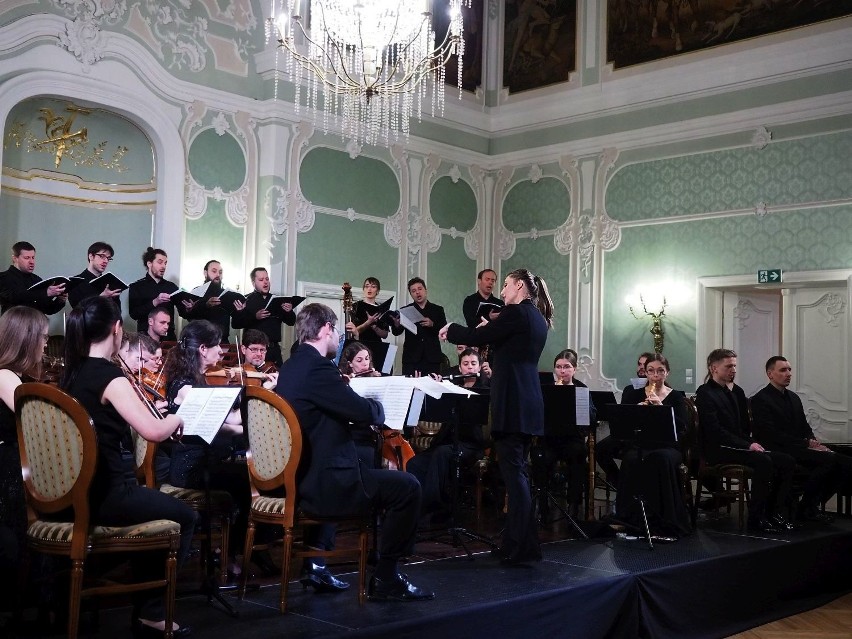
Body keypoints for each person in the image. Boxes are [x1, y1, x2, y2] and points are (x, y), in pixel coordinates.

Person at [277, 303, 434, 601]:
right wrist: (377, 406)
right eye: (335, 329)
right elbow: (364, 412)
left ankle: (314, 564)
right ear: (325, 329)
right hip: (326, 483)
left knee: (370, 465)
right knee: (408, 487)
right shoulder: (319, 367)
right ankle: (387, 576)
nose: (337, 335)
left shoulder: (291, 366)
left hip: (303, 473)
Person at [60, 296, 196, 638]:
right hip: (110, 493)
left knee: (155, 509)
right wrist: (176, 417)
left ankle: (77, 583)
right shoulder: (110, 376)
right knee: (186, 516)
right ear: (117, 329)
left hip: (75, 492)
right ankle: (150, 611)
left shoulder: (72, 373)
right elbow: (152, 430)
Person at [439, 268, 553, 564]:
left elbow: (478, 335)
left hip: (513, 403)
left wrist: (449, 329)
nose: (501, 292)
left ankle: (520, 549)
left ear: (518, 286)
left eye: (505, 285)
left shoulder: (515, 314)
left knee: (515, 478)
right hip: (528, 402)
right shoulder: (537, 318)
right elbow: (498, 341)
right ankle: (523, 545)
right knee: (519, 476)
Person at [162, 320, 249, 577]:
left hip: (204, 462)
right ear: (202, 348)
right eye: (217, 345)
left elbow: (231, 421)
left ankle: (228, 552)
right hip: (190, 467)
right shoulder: (184, 387)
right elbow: (223, 421)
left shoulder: (197, 380)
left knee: (247, 477)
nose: (221, 351)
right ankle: (228, 553)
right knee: (247, 483)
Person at [695, 349, 796, 533]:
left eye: (734, 365)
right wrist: (747, 445)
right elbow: (715, 431)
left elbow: (742, 428)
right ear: (714, 368)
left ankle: (774, 512)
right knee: (763, 461)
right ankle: (756, 518)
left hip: (736, 445)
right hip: (718, 448)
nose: (733, 370)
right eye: (729, 366)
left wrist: (750, 442)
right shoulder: (705, 393)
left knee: (786, 461)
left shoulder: (736, 391)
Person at [751, 356, 852, 523]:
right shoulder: (761, 399)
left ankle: (809, 505)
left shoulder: (793, 397)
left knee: (846, 461)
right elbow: (770, 435)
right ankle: (806, 508)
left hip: (798, 446)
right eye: (783, 370)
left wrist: (814, 442)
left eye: (789, 369)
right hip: (779, 448)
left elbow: (804, 427)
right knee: (830, 460)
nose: (789, 374)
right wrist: (807, 444)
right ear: (770, 374)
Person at [0, 307, 49, 597]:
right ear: (26, 340)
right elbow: (36, 423)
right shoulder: (5, 376)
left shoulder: (15, 376)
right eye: (42, 338)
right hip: (8, 467)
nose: (45, 344)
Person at [617, 353, 691, 537]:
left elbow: (682, 427)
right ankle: (631, 519)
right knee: (631, 459)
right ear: (646, 373)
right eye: (651, 371)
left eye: (660, 371)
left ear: (667, 373)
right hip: (643, 444)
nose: (655, 375)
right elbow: (624, 423)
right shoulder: (635, 394)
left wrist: (661, 410)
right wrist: (637, 413)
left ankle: (663, 519)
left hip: (668, 447)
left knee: (660, 459)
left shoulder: (675, 397)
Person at [540, 349, 595, 518]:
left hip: (572, 439)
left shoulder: (581, 389)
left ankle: (573, 506)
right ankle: (543, 505)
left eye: (567, 367)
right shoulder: (547, 389)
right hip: (549, 438)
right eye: (558, 367)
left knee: (578, 455)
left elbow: (591, 418)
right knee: (540, 456)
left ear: (574, 369)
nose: (562, 371)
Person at [596, 352, 654, 486]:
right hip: (626, 433)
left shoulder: (656, 389)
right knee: (600, 450)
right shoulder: (629, 389)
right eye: (639, 364)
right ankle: (619, 483)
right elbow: (623, 415)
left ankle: (632, 486)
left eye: (644, 365)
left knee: (631, 455)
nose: (641, 367)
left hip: (646, 435)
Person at [231, 267, 295, 367]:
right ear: (253, 283)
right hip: (254, 352)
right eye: (261, 280)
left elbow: (291, 322)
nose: (265, 282)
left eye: (267, 279)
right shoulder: (246, 300)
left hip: (273, 350)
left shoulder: (278, 300)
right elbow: (235, 324)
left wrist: (289, 311)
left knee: (277, 380)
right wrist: (255, 317)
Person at [129, 247, 191, 341]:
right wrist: (155, 302)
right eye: (160, 262)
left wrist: (188, 308)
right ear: (149, 263)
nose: (163, 266)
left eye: (165, 263)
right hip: (145, 337)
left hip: (168, 337)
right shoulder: (136, 286)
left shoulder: (171, 287)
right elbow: (134, 314)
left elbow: (183, 313)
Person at [391, 277, 446, 377]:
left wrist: (432, 324)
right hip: (411, 358)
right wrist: (396, 324)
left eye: (420, 289)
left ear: (426, 290)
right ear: (411, 294)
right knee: (411, 388)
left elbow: (444, 331)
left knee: (432, 388)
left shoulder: (437, 310)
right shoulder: (405, 310)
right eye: (413, 291)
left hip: (432, 358)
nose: (417, 293)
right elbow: (396, 332)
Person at [0, 241, 67, 315]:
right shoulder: (3, 278)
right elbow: (16, 297)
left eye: (33, 257)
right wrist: (46, 293)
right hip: (13, 325)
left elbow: (48, 309)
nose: (32, 261)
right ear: (15, 258)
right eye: (27, 258)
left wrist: (60, 300)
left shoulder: (37, 279)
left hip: (36, 324)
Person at [188, 260, 239, 343]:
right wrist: (206, 305)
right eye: (214, 271)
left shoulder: (228, 294)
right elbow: (190, 317)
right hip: (201, 341)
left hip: (222, 341)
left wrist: (240, 310)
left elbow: (236, 322)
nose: (218, 275)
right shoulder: (196, 292)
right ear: (205, 273)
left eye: (220, 272)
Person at [67, 241, 122, 309]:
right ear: (91, 256)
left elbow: (118, 311)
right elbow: (77, 310)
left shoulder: (110, 282)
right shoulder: (75, 282)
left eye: (108, 258)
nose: (106, 261)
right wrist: (100, 298)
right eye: (102, 256)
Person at [351, 277, 390, 347]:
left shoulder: (381, 309)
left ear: (377, 291)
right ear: (363, 289)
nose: (369, 289)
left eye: (373, 287)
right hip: (360, 345)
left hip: (376, 345)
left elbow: (385, 335)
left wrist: (374, 327)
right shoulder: (355, 306)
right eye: (367, 286)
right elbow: (354, 331)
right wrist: (368, 322)